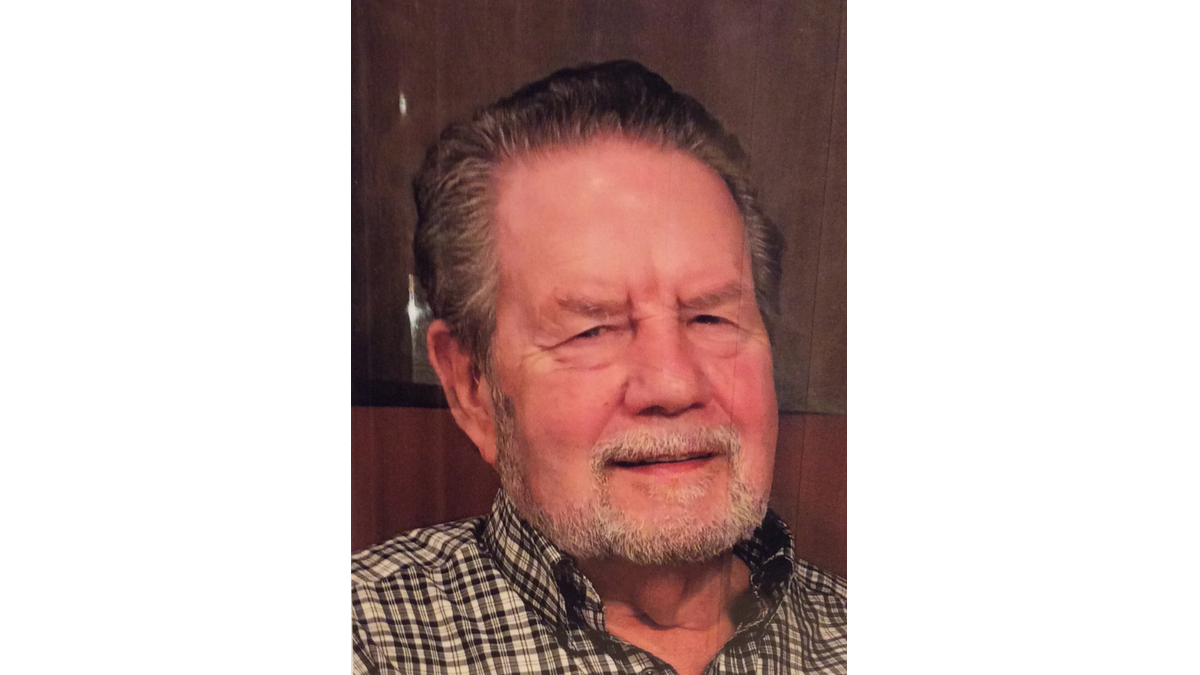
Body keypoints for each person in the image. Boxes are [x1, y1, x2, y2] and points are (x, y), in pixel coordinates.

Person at [351, 60, 847, 675]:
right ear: (471, 387)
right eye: (592, 331)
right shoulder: (368, 640)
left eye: (710, 318)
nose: (673, 384)